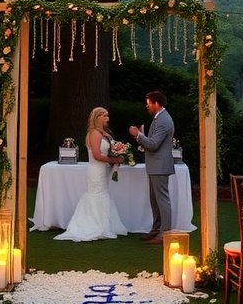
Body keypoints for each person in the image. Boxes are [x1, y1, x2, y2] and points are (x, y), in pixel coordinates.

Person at [54, 106, 128, 242]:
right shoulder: (94, 133)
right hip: (96, 170)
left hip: (103, 170)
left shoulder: (104, 133)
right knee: (96, 194)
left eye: (107, 116)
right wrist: (114, 159)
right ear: (97, 118)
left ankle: (103, 224)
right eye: (104, 116)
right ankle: (93, 225)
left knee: (102, 194)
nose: (107, 119)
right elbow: (96, 155)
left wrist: (117, 156)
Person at [129, 90, 174, 244]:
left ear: (157, 103)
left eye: (148, 103)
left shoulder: (163, 120)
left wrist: (138, 135)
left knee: (161, 200)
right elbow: (153, 143)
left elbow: (154, 144)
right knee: (155, 200)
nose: (146, 106)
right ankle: (156, 230)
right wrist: (142, 138)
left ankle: (164, 234)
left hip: (160, 166)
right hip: (155, 166)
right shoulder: (159, 118)